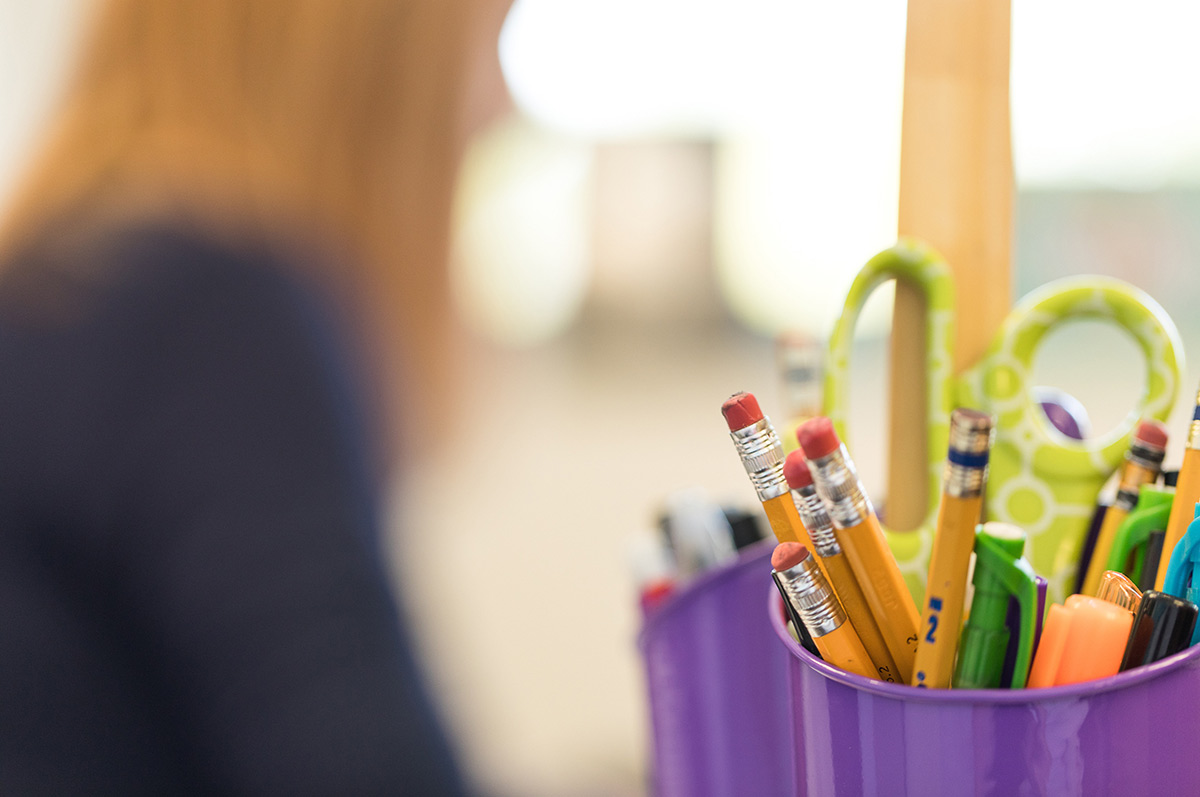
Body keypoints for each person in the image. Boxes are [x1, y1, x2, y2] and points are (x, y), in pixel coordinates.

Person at [0, 1, 479, 792]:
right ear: (360, 67)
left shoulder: (63, 284)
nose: (496, 100)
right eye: (484, 43)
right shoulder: (208, 309)